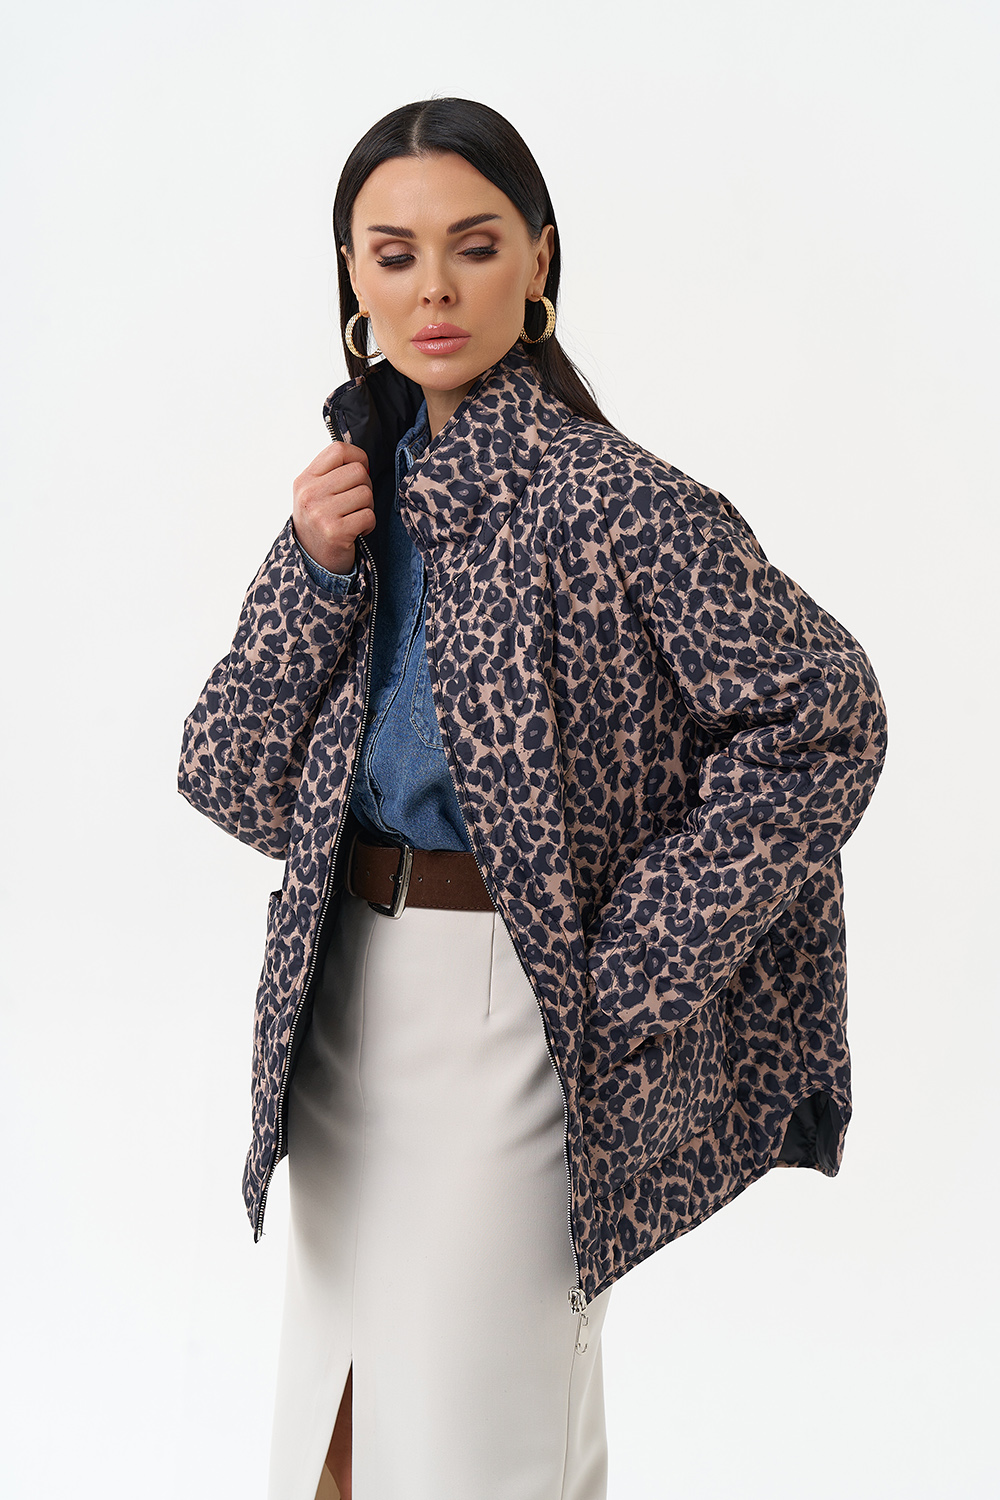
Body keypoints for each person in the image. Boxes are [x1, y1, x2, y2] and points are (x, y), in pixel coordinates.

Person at [178, 97, 888, 1500]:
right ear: (352, 278)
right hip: (342, 985)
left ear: (539, 261)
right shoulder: (355, 493)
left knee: (477, 1448)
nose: (433, 290)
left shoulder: (619, 501)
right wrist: (313, 572)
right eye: (393, 255)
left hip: (520, 1007)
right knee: (336, 1440)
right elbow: (231, 774)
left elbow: (827, 714)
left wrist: (633, 966)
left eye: (475, 245)